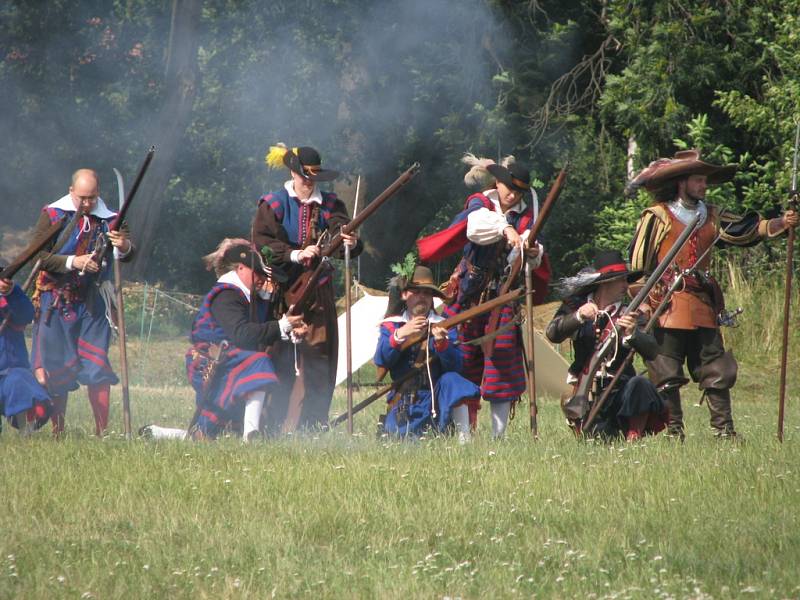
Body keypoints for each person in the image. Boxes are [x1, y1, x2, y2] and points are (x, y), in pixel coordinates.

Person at [628, 149, 799, 438]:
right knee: (666, 370)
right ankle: (673, 431)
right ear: (682, 182)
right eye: (698, 180)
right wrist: (642, 303)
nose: (704, 185)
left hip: (703, 303)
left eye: (705, 180)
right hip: (665, 303)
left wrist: (783, 223)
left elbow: (748, 230)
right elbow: (637, 266)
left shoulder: (712, 214)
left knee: (717, 368)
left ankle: (724, 431)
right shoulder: (656, 216)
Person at [417, 154, 551, 438]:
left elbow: (528, 256)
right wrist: (506, 228)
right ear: (498, 183)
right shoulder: (481, 202)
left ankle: (497, 438)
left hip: (502, 301)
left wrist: (532, 253)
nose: (512, 195)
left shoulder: (527, 216)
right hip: (468, 297)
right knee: (459, 360)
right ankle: (463, 435)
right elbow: (476, 227)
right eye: (508, 188)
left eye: (518, 191)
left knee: (501, 368)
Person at [253, 144, 360, 432]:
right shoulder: (273, 204)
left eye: (313, 176)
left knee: (319, 357)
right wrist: (295, 255)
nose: (309, 181)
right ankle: (270, 426)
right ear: (293, 172)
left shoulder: (331, 205)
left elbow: (341, 231)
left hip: (318, 294)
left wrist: (348, 241)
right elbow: (262, 242)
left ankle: (311, 426)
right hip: (281, 291)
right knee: (278, 355)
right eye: (304, 176)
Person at [29, 169, 133, 436]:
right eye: (83, 198)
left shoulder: (111, 219)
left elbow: (128, 253)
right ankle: (58, 430)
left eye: (92, 197)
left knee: (97, 366)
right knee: (57, 368)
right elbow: (37, 256)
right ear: (71, 191)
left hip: (92, 302)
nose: (87, 204)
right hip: (55, 300)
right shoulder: (53, 215)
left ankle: (103, 432)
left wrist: (124, 246)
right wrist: (72, 262)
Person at [183, 241, 307, 440]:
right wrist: (281, 326)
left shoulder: (248, 297)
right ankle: (251, 435)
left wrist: (290, 330)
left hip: (228, 360)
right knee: (259, 362)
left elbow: (260, 330)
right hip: (210, 361)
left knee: (211, 432)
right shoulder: (226, 295)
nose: (262, 279)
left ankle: (157, 433)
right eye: (257, 272)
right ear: (241, 268)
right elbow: (242, 334)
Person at [546, 250, 666, 441]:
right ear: (605, 283)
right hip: (588, 392)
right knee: (597, 438)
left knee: (640, 385)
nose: (626, 285)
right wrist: (578, 317)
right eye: (621, 280)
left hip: (621, 388)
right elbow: (552, 333)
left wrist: (633, 334)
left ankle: (634, 435)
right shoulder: (576, 307)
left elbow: (653, 350)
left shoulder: (631, 314)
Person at [376, 266, 479, 441]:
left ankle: (465, 442)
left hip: (436, 399)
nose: (421, 297)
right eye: (415, 291)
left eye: (426, 292)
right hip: (405, 399)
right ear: (404, 295)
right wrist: (400, 335)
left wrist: (442, 344)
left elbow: (458, 366)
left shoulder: (445, 324)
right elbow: (382, 359)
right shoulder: (392, 326)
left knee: (453, 381)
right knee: (397, 440)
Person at [0, 269, 51, 434]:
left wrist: (10, 292)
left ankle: (25, 433)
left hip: (9, 369)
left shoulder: (10, 293)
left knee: (19, 381)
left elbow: (26, 314)